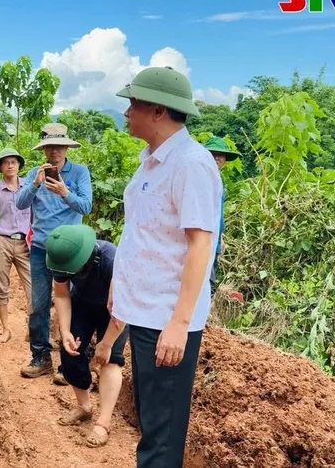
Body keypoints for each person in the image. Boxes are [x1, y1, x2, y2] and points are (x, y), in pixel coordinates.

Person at [105, 66, 222, 467]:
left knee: (162, 436)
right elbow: (144, 235)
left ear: (157, 111)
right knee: (152, 423)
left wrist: (178, 323)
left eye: (133, 104)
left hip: (166, 319)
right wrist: (120, 288)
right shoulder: (153, 162)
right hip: (145, 310)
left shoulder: (191, 164)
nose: (126, 112)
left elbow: (200, 245)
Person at [15, 123, 92, 381]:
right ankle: (41, 357)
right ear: (44, 149)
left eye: (59, 146)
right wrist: (35, 185)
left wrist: (65, 192)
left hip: (71, 253)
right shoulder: (34, 173)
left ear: (67, 147)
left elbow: (86, 207)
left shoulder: (80, 173)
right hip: (39, 249)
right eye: (49, 146)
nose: (54, 151)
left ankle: (68, 364)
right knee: (38, 305)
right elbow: (20, 203)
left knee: (72, 306)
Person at [46, 224, 129, 448]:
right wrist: (65, 332)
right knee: (70, 351)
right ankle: (84, 406)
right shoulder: (60, 259)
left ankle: (103, 422)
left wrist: (106, 343)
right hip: (82, 302)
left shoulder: (113, 260)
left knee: (111, 360)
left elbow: (123, 306)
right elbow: (62, 296)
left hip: (115, 309)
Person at [0, 147, 32, 344]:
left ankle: (31, 327)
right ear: (0, 166)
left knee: (33, 287)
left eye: (13, 162)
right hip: (1, 240)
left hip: (25, 242)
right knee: (1, 285)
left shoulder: (29, 187)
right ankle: (5, 328)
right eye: (6, 162)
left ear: (19, 165)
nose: (10, 165)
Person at [203, 136, 240, 296]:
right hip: (203, 242)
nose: (218, 158)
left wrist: (220, 238)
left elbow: (217, 214)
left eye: (221, 155)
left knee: (209, 282)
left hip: (214, 241)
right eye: (213, 154)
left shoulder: (218, 180)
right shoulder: (201, 178)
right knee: (205, 284)